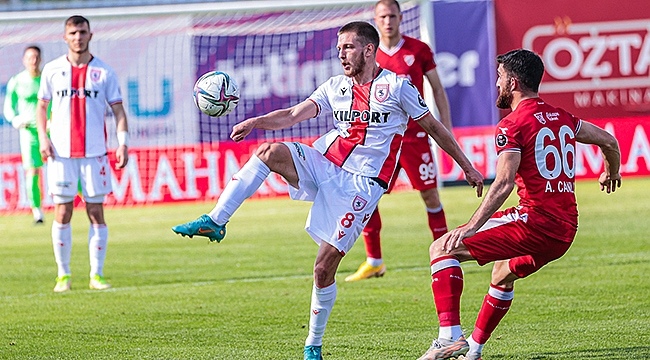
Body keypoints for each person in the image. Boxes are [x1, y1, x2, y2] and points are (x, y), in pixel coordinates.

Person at [172, 21, 484, 360]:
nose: (341, 55)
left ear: (368, 49)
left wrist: (466, 166)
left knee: (323, 268)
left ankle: (313, 344)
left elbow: (434, 128)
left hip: (362, 185)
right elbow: (293, 114)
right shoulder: (335, 86)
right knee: (268, 152)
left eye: (348, 48)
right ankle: (216, 220)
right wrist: (255, 122)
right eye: (338, 50)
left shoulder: (397, 87)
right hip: (326, 163)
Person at [418, 49, 621, 360]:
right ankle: (472, 351)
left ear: (512, 81)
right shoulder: (562, 118)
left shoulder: (512, 125)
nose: (496, 83)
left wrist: (471, 226)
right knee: (502, 274)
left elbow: (503, 183)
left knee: (442, 248)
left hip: (535, 222)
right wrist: (612, 170)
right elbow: (609, 140)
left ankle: (448, 337)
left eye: (499, 77)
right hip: (565, 231)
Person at [345, 0, 453, 282]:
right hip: (383, 140)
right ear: (375, 20)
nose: (388, 21)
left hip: (416, 137)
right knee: (368, 196)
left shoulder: (418, 50)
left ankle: (444, 253)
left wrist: (446, 126)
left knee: (430, 195)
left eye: (392, 15)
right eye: (383, 16)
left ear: (401, 17)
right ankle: (374, 261)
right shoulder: (370, 53)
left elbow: (437, 88)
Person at [36, 15, 130, 293]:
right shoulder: (52, 70)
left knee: (95, 211)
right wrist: (43, 138)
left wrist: (122, 143)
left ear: (91, 35)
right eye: (73, 33)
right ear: (65, 37)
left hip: (95, 154)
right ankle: (63, 275)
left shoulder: (104, 72)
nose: (78, 37)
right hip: (61, 154)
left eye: (83, 32)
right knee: (62, 211)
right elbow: (41, 107)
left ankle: (96, 275)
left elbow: (118, 111)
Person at [4, 45, 46, 224]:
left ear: (40, 59)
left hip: (50, 130)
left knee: (62, 166)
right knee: (32, 172)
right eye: (30, 57)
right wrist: (15, 119)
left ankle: (79, 201)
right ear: (24, 60)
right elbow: (8, 106)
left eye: (36, 57)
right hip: (28, 132)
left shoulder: (46, 78)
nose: (33, 61)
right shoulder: (17, 81)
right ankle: (37, 211)